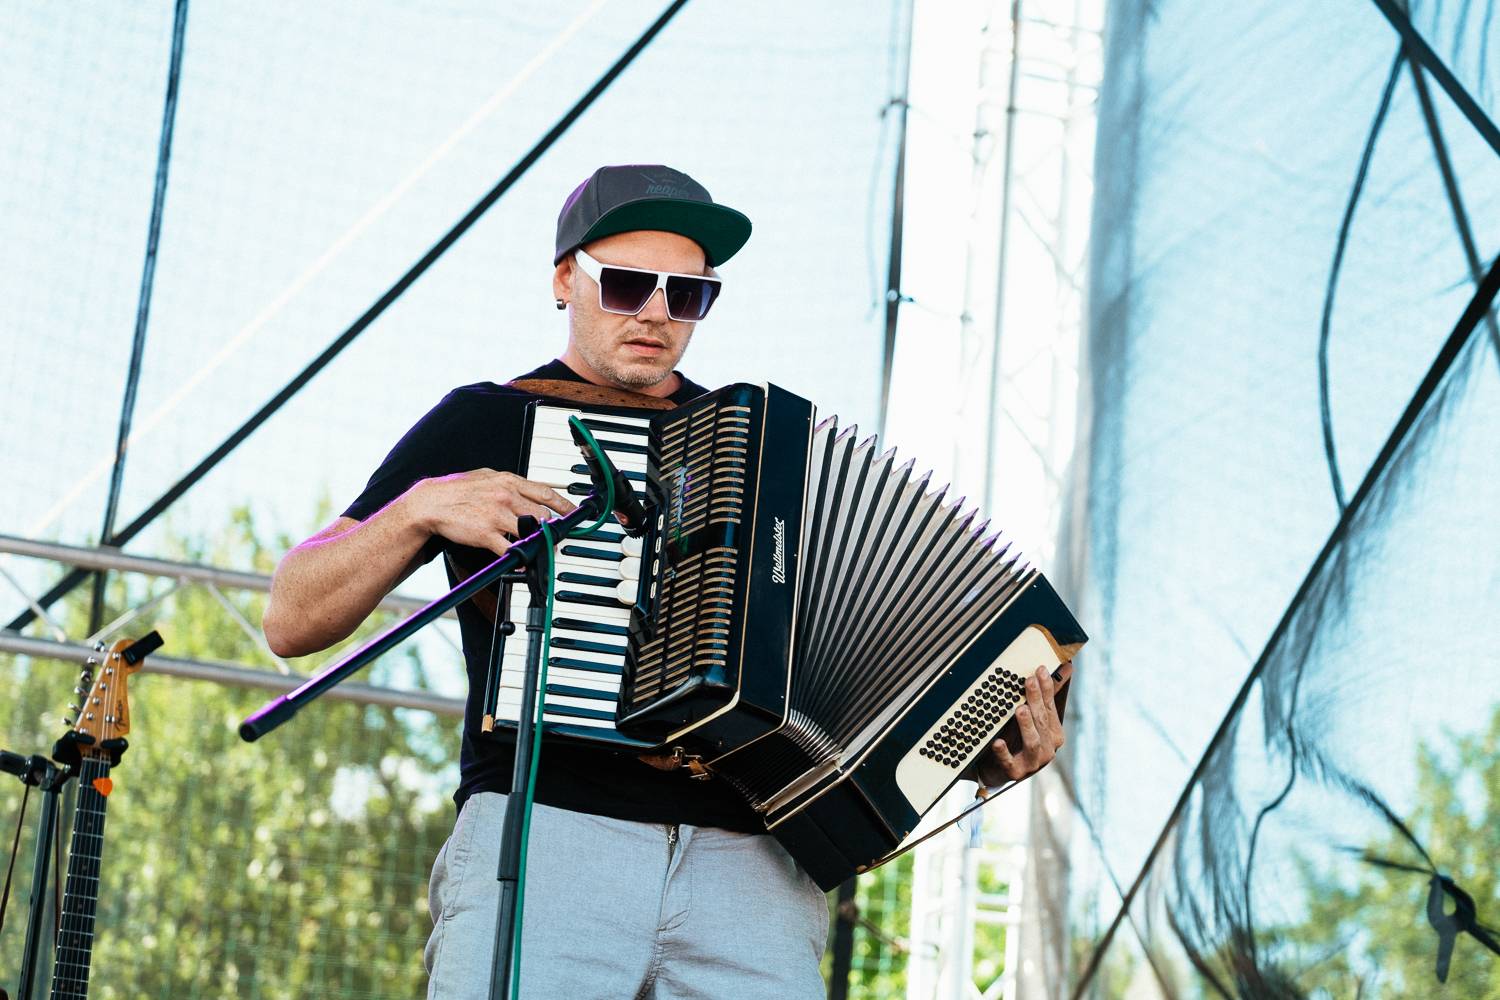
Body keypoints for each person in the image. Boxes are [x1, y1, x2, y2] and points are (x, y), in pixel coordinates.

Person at [262, 164, 1069, 999]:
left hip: (756, 873)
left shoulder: (763, 458)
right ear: (565, 279)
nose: (655, 312)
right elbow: (292, 617)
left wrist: (976, 749)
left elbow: (845, 680)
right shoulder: (487, 420)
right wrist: (418, 510)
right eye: (628, 284)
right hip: (551, 841)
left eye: (687, 295)